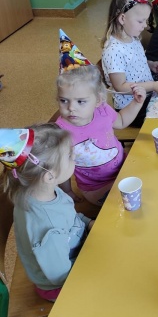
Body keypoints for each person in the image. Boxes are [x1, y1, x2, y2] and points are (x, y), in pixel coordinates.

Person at [0, 124, 94, 301]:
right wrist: (94, 258)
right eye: (69, 155)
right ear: (49, 176)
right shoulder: (48, 227)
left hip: (68, 247)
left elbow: (68, 216)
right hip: (61, 284)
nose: (74, 157)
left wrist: (87, 222)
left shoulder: (39, 190)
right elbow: (60, 276)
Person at [56, 64, 146, 205]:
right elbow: (62, 166)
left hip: (124, 167)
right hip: (96, 187)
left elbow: (121, 121)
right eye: (63, 100)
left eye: (80, 101)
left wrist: (137, 103)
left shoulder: (102, 110)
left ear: (98, 100)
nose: (71, 108)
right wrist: (67, 191)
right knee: (127, 203)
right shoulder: (60, 132)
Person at [101, 0, 158, 127]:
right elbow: (120, 86)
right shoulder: (113, 51)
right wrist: (153, 85)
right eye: (141, 21)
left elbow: (136, 62)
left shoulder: (132, 37)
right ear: (122, 18)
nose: (145, 26)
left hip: (146, 94)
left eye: (146, 21)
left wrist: (151, 64)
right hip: (131, 108)